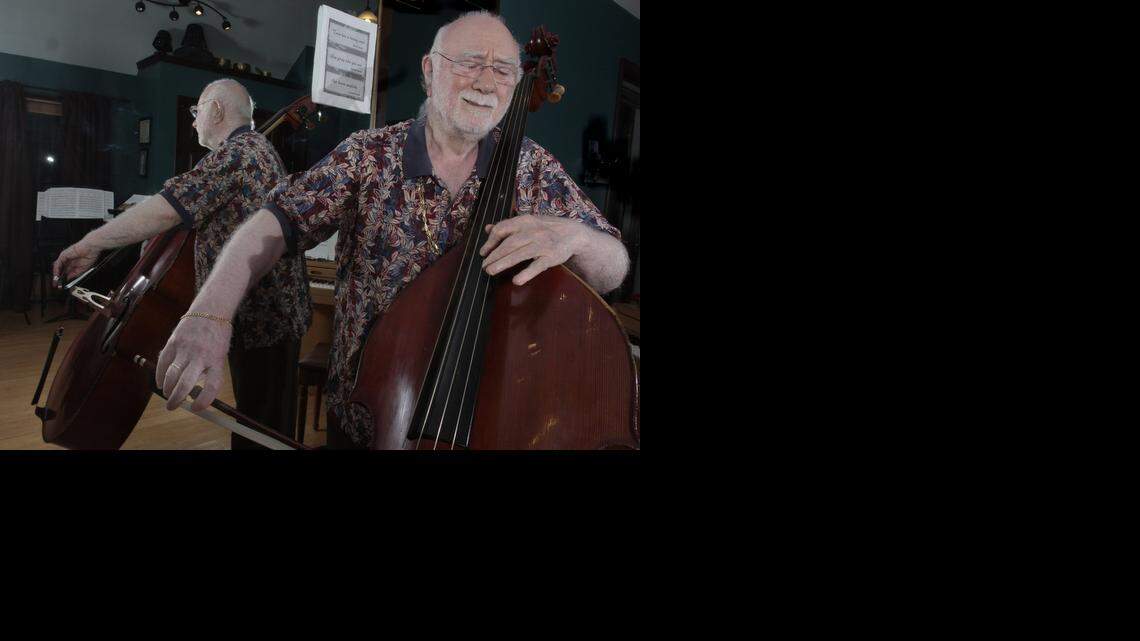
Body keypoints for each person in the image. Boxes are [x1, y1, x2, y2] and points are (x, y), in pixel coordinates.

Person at [155, 11, 629, 449]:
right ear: (428, 70)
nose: (486, 81)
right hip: (369, 421)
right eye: (469, 63)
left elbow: (613, 266)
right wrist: (210, 314)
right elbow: (274, 223)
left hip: (486, 419)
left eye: (504, 70)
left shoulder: (534, 167)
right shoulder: (369, 155)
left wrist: (579, 238)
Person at [52, 79, 311, 449]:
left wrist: (90, 243)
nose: (194, 121)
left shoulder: (239, 152)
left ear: (217, 110)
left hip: (265, 316)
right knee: (262, 423)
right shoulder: (253, 149)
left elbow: (166, 210)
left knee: (261, 429)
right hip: (270, 315)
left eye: (197, 110)